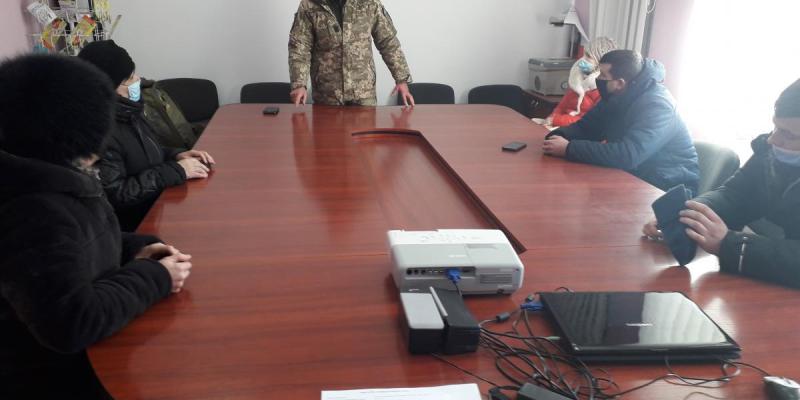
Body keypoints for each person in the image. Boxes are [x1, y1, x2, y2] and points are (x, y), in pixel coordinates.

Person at [0, 54, 192, 399]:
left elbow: (85, 241)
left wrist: (136, 248)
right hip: (61, 380)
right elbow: (73, 322)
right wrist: (155, 277)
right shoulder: (32, 211)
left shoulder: (57, 177)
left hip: (96, 355)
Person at [643, 79, 800, 288]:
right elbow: (734, 195)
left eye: (789, 135)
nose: (773, 139)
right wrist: (687, 216)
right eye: (775, 127)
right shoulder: (769, 151)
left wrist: (728, 245)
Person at [78, 40, 215, 232]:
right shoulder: (101, 133)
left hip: (157, 209)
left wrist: (176, 155)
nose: (138, 80)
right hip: (136, 227)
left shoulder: (129, 112)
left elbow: (144, 152)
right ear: (109, 88)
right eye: (129, 78)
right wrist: (177, 170)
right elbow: (117, 194)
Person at [542, 50, 699, 194]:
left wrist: (569, 148)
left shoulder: (658, 106)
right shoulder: (615, 95)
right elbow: (586, 127)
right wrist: (557, 137)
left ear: (620, 83)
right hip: (634, 175)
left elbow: (628, 155)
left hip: (666, 187)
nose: (598, 79)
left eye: (603, 75)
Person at [288, 0, 415, 107]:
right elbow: (300, 47)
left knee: (364, 130)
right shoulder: (310, 4)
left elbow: (388, 42)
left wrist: (401, 79)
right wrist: (299, 84)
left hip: (363, 93)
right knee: (326, 130)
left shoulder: (369, 3)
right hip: (326, 94)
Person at [544, 37, 616, 127]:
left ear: (600, 62)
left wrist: (556, 120)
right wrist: (552, 118)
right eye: (584, 54)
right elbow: (561, 106)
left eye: (588, 56)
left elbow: (588, 121)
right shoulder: (578, 80)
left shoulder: (602, 90)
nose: (583, 59)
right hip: (560, 126)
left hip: (578, 129)